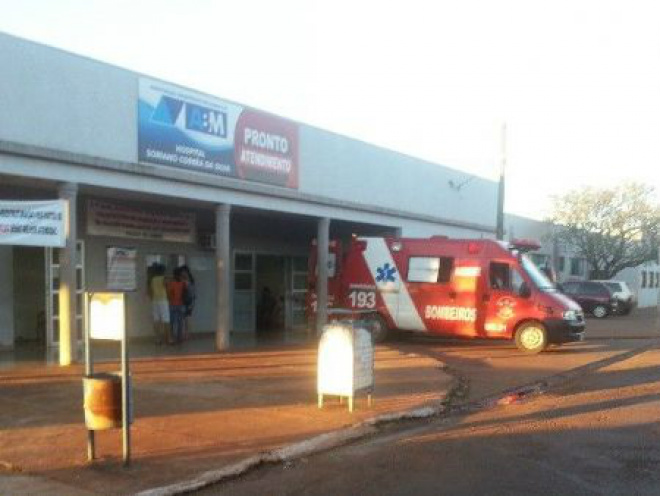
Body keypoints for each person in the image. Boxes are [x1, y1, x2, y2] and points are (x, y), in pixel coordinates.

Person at [148, 263, 170, 345]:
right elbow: (167, 287)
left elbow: (149, 291)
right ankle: (169, 339)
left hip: (155, 300)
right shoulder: (164, 278)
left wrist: (152, 298)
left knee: (156, 320)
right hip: (163, 300)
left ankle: (157, 339)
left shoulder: (152, 279)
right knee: (166, 320)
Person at [167, 267, 187, 344]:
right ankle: (179, 338)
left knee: (172, 322)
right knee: (180, 322)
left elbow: (169, 294)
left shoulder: (171, 283)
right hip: (181, 304)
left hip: (172, 304)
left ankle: (172, 337)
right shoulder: (183, 283)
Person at [179, 265, 196, 340]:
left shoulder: (185, 281)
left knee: (185, 318)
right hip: (190, 301)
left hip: (186, 301)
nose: (182, 273)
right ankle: (186, 334)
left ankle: (185, 334)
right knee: (186, 318)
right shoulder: (191, 280)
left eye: (183, 272)